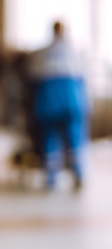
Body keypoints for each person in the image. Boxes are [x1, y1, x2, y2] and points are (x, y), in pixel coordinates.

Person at [27, 21, 90, 190]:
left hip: (48, 99)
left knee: (50, 137)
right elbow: (83, 79)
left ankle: (51, 177)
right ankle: (78, 173)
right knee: (75, 137)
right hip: (71, 99)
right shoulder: (75, 51)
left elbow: (32, 78)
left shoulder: (42, 53)